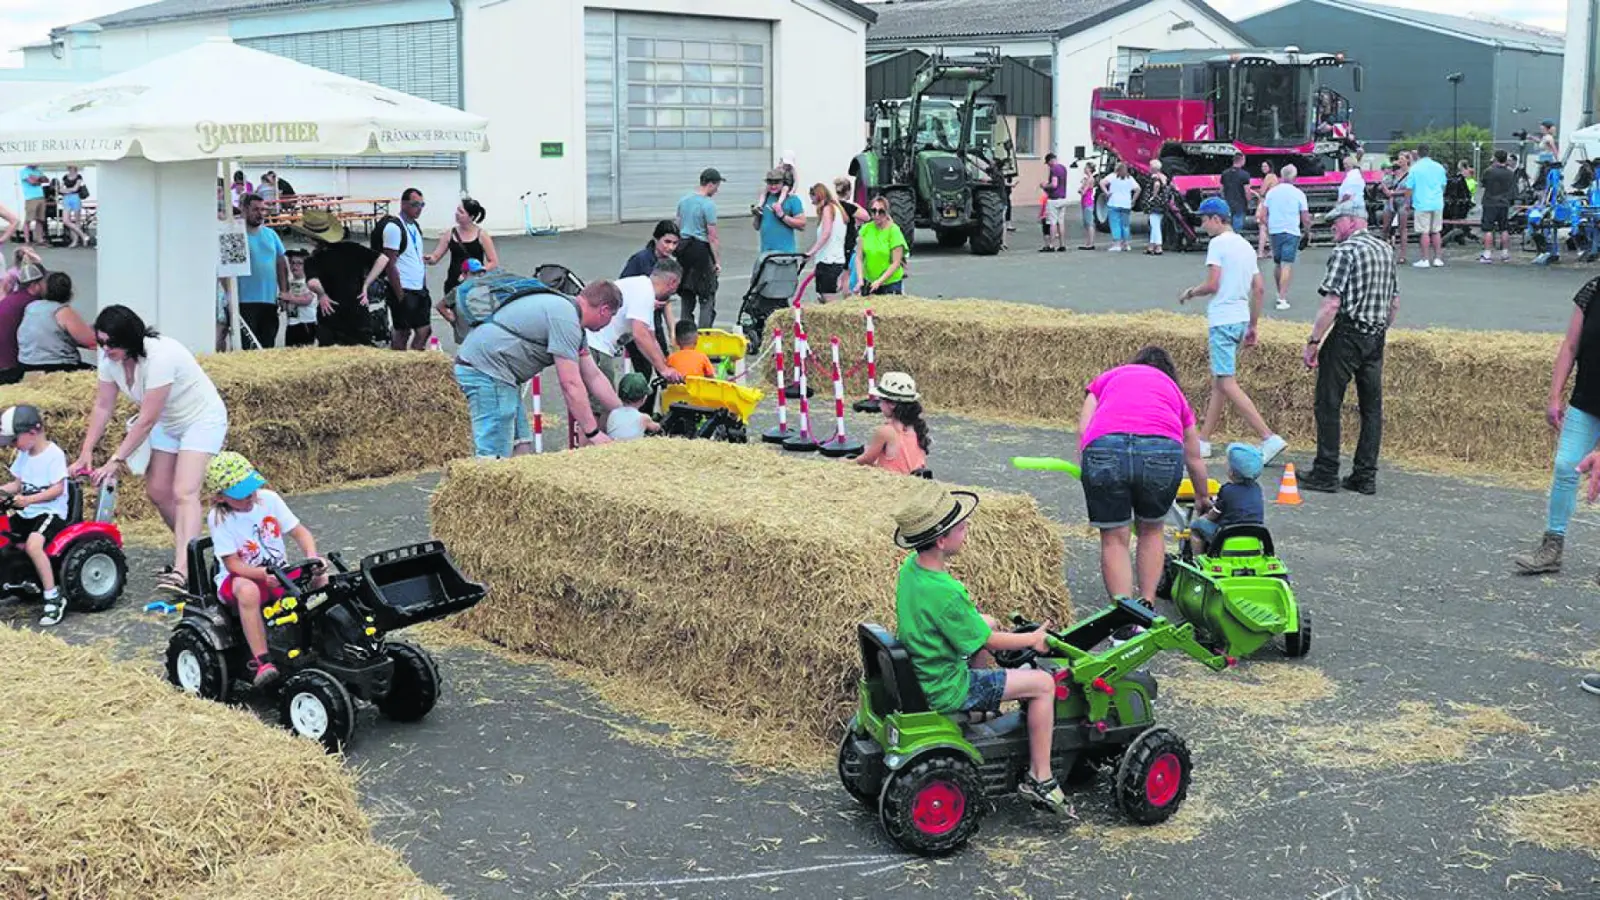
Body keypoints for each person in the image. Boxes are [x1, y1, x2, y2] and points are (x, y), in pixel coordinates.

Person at [891, 485, 1070, 815]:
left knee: (985, 621)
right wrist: (1032, 640)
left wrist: (989, 627)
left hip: (924, 667)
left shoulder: (911, 571)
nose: (967, 529)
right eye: (961, 527)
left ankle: (984, 710)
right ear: (942, 540)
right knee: (1044, 685)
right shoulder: (947, 592)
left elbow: (973, 629)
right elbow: (990, 643)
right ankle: (1040, 777)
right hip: (945, 687)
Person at [74, 306, 229, 592]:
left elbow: (146, 420)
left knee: (185, 491)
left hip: (200, 419)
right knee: (158, 491)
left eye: (112, 343)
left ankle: (185, 570)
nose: (106, 349)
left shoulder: (160, 356)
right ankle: (191, 551)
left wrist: (115, 460)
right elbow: (103, 405)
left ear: (130, 339)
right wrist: (86, 451)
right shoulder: (111, 362)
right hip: (169, 423)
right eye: (101, 342)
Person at [1078, 346, 1212, 606]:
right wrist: (1202, 496)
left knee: (1114, 537)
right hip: (1161, 451)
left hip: (1106, 447)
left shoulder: (1109, 377)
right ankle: (1147, 604)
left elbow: (1084, 428)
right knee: (1151, 530)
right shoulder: (1174, 391)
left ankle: (1124, 617)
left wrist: (1089, 468)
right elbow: (1194, 456)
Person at [453, 280, 624, 457]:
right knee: (495, 455)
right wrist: (593, 433)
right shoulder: (565, 318)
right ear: (604, 310)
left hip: (497, 373)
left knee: (522, 447)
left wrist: (625, 413)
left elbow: (593, 375)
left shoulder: (569, 315)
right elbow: (570, 384)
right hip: (487, 372)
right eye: (612, 315)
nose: (609, 322)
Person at [204, 451, 327, 689]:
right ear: (220, 498)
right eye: (241, 496)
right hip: (241, 578)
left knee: (323, 579)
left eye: (251, 490)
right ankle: (262, 661)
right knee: (249, 591)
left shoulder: (268, 499)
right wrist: (262, 575)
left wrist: (313, 558)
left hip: (279, 572)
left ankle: (324, 640)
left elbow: (300, 532)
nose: (250, 497)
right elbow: (233, 565)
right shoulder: (218, 519)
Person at [1300, 198, 1399, 495]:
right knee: (1371, 407)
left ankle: (1326, 470)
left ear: (1353, 221)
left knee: (1328, 401)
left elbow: (1331, 303)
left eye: (1337, 221)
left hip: (1348, 332)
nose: (1333, 226)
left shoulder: (1346, 251)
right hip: (1376, 334)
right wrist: (1381, 328)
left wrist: (1314, 341)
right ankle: (1365, 474)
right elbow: (1394, 302)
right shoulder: (1385, 249)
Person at [1180, 197, 1288, 465]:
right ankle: (1203, 440)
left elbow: (1213, 284)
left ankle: (1268, 437)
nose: (1203, 226)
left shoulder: (1217, 245)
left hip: (1223, 318)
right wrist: (1253, 325)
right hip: (1240, 319)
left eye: (1204, 220)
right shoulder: (1245, 246)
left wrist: (1191, 292)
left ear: (1216, 219)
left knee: (1227, 382)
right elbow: (1259, 288)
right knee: (1220, 382)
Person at [1512, 274, 1600, 576]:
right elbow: (1570, 346)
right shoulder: (1592, 290)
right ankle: (1552, 545)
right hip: (1586, 401)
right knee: (1566, 467)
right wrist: (1554, 396)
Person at [0, 405, 70, 626]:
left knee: (33, 545)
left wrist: (28, 500)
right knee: (4, 536)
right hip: (28, 511)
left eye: (14, 440)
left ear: (32, 432)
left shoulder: (53, 455)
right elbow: (17, 484)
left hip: (51, 512)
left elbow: (57, 489)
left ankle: (53, 597)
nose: (12, 445)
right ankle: (15, 578)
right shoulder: (24, 454)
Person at [294, 209, 386, 348]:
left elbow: (313, 283)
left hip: (331, 316)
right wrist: (366, 284)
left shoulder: (313, 259)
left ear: (310, 238)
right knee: (361, 355)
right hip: (358, 312)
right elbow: (383, 259)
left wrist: (322, 294)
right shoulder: (352, 248)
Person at [375, 188, 433, 351]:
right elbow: (390, 263)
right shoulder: (394, 228)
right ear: (404, 204)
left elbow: (415, 256)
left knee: (424, 330)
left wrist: (423, 284)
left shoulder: (414, 226)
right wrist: (400, 295)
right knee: (403, 332)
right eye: (415, 204)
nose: (419, 208)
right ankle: (399, 364)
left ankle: (413, 362)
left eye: (422, 205)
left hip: (418, 288)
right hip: (404, 288)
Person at [426, 198, 499, 326]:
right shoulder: (450, 233)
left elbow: (493, 262)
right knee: (459, 322)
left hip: (475, 286)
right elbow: (436, 257)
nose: (456, 213)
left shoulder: (481, 235)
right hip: (454, 285)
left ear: (471, 216)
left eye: (461, 211)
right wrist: (429, 259)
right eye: (457, 210)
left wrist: (478, 271)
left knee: (476, 321)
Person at [1189, 443, 1265, 556]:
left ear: (1232, 472)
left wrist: (1204, 516)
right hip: (1254, 533)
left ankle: (1197, 559)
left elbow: (1213, 515)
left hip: (1228, 534)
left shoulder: (1227, 490)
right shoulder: (1257, 489)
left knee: (1196, 527)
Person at [237, 193, 289, 349]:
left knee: (268, 344)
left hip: (269, 300)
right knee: (249, 346)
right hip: (244, 301)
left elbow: (281, 263)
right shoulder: (237, 235)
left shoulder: (271, 234)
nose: (260, 214)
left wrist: (284, 291)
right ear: (244, 209)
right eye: (255, 209)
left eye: (263, 210)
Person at [854, 371, 929, 476]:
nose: (879, 404)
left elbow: (866, 461)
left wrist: (845, 462)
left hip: (893, 484)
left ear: (892, 404)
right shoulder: (916, 426)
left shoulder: (886, 431)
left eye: (881, 400)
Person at [675, 169, 723, 328]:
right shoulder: (708, 205)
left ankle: (685, 335)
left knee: (687, 295)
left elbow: (677, 225)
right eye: (717, 185)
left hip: (684, 250)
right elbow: (712, 236)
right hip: (701, 251)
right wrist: (717, 261)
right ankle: (704, 336)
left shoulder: (684, 201)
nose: (717, 190)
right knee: (706, 296)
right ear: (710, 184)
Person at [20, 272, 95, 374]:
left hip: (26, 364)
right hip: (56, 367)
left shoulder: (31, 306)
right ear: (69, 292)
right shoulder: (63, 311)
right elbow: (90, 341)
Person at [1262, 164, 1311, 310]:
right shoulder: (1299, 194)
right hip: (1291, 230)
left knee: (1277, 263)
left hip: (1275, 230)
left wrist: (1269, 226)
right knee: (1287, 263)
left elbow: (1262, 214)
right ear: (1294, 177)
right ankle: (1282, 297)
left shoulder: (1272, 193)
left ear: (1281, 176)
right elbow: (1305, 217)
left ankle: (1279, 292)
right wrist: (1307, 232)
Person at [0, 263, 48, 385]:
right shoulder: (33, 304)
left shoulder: (10, 298)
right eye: (44, 282)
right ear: (35, 285)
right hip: (10, 365)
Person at [1403, 144, 1448, 268]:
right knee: (1436, 231)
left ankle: (1425, 259)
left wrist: (1407, 203)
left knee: (1424, 232)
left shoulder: (1415, 168)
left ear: (1418, 153)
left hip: (1421, 202)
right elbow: (1444, 185)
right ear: (1429, 152)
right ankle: (1438, 258)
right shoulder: (1439, 167)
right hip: (1437, 202)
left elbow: (1409, 188)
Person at [804, 183, 849, 302]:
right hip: (833, 259)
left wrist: (811, 252)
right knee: (823, 297)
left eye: (812, 198)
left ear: (817, 196)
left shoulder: (828, 209)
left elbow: (826, 234)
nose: (812, 202)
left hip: (829, 261)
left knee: (829, 300)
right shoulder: (837, 209)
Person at [856, 196, 909, 296]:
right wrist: (860, 280)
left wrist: (879, 281)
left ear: (886, 213)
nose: (876, 215)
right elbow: (859, 257)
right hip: (870, 281)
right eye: (873, 211)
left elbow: (896, 263)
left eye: (881, 211)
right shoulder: (866, 229)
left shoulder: (894, 231)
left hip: (890, 283)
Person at [754, 167, 806, 261]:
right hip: (766, 254)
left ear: (783, 183)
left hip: (785, 255)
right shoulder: (765, 198)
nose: (773, 186)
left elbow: (802, 224)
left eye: (777, 183)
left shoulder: (792, 199)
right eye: (770, 183)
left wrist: (782, 216)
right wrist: (757, 215)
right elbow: (756, 227)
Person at [1479, 149, 1517, 264]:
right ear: (1506, 159)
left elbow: (1482, 184)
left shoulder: (1489, 171)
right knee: (1504, 228)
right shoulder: (1510, 172)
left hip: (1490, 202)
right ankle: (1505, 254)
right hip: (1504, 203)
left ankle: (1487, 254)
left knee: (1488, 229)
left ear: (1495, 158)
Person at [833, 177, 870, 291]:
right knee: (847, 272)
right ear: (848, 192)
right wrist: (855, 204)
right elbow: (866, 216)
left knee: (839, 270)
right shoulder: (849, 207)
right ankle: (846, 296)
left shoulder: (832, 205)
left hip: (835, 242)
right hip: (847, 242)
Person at [605, 372, 660, 442]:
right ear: (644, 398)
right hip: (634, 450)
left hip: (613, 449)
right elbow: (657, 428)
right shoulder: (644, 418)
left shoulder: (612, 413)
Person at [281, 250, 318, 348]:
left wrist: (289, 298)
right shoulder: (291, 282)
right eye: (292, 263)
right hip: (292, 322)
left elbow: (307, 300)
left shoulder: (310, 281)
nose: (295, 266)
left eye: (299, 263)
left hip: (305, 323)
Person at [1100, 162, 1139, 253]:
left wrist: (1107, 193)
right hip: (1126, 204)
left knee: (1115, 224)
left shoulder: (1112, 176)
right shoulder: (1129, 178)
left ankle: (1117, 244)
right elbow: (1138, 189)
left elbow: (1102, 183)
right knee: (1125, 224)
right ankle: (1126, 244)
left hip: (1114, 202)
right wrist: (1133, 200)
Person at [1041, 152, 1069, 252]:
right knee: (1061, 222)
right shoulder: (1063, 168)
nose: (1048, 165)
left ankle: (1051, 245)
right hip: (1063, 198)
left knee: (1052, 223)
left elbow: (1054, 184)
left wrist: (1044, 186)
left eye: (1048, 163)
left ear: (1050, 161)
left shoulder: (1054, 169)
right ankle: (1062, 245)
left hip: (1054, 199)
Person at [1144, 160, 1173, 255]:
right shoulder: (1163, 176)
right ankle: (1151, 246)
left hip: (1154, 204)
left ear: (1153, 168)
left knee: (1155, 225)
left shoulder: (1155, 177)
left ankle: (1158, 246)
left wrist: (1153, 195)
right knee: (1155, 224)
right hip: (1162, 203)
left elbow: (1156, 184)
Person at [58, 166, 90, 249]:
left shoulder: (79, 176)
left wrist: (67, 190)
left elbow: (76, 188)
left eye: (71, 167)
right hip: (66, 198)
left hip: (75, 197)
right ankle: (83, 235)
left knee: (77, 220)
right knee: (66, 220)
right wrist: (69, 190)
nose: (69, 169)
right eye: (69, 167)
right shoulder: (65, 177)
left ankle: (75, 241)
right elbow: (60, 189)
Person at [1252, 162, 1279, 259]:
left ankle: (1260, 252)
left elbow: (1262, 192)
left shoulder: (1269, 177)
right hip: (1272, 204)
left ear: (1270, 167)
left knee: (1263, 228)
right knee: (1268, 229)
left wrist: (1255, 192)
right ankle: (1271, 251)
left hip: (1265, 204)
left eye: (1265, 166)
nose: (1263, 168)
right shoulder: (1274, 177)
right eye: (1262, 166)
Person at [1220, 153, 1251, 234]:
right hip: (1240, 204)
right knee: (1237, 230)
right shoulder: (1245, 174)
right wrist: (1249, 201)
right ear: (1242, 160)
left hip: (1227, 204)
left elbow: (1221, 190)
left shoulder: (1224, 173)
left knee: (1227, 228)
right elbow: (1247, 191)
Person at [18, 164, 47, 247]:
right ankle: (27, 240)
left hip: (40, 196)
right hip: (30, 198)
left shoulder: (38, 171)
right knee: (28, 220)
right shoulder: (24, 171)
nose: (37, 164)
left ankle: (39, 239)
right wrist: (38, 180)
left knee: (40, 219)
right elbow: (32, 182)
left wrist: (36, 179)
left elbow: (45, 180)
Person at [1077, 161, 1099, 250]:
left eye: (1086, 167)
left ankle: (1090, 243)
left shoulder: (1089, 179)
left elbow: (1083, 191)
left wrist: (1081, 188)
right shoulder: (1088, 179)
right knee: (1087, 223)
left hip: (1087, 202)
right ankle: (1089, 242)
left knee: (1089, 223)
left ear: (1089, 169)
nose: (1084, 169)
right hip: (1086, 202)